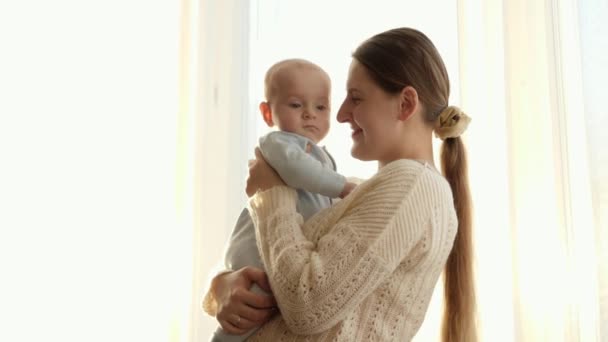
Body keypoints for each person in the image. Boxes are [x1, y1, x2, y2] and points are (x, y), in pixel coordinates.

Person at [204, 27, 476, 341]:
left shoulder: (412, 187)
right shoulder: (365, 194)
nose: (342, 114)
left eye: (356, 98)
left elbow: (307, 308)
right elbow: (267, 257)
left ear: (405, 104)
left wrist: (271, 195)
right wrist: (222, 284)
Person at [205, 58, 358, 342]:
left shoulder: (323, 157)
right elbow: (298, 170)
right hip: (257, 254)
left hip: (285, 254)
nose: (310, 114)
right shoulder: (279, 144)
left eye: (321, 107)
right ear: (267, 112)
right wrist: (342, 187)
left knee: (263, 315)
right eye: (296, 105)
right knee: (244, 317)